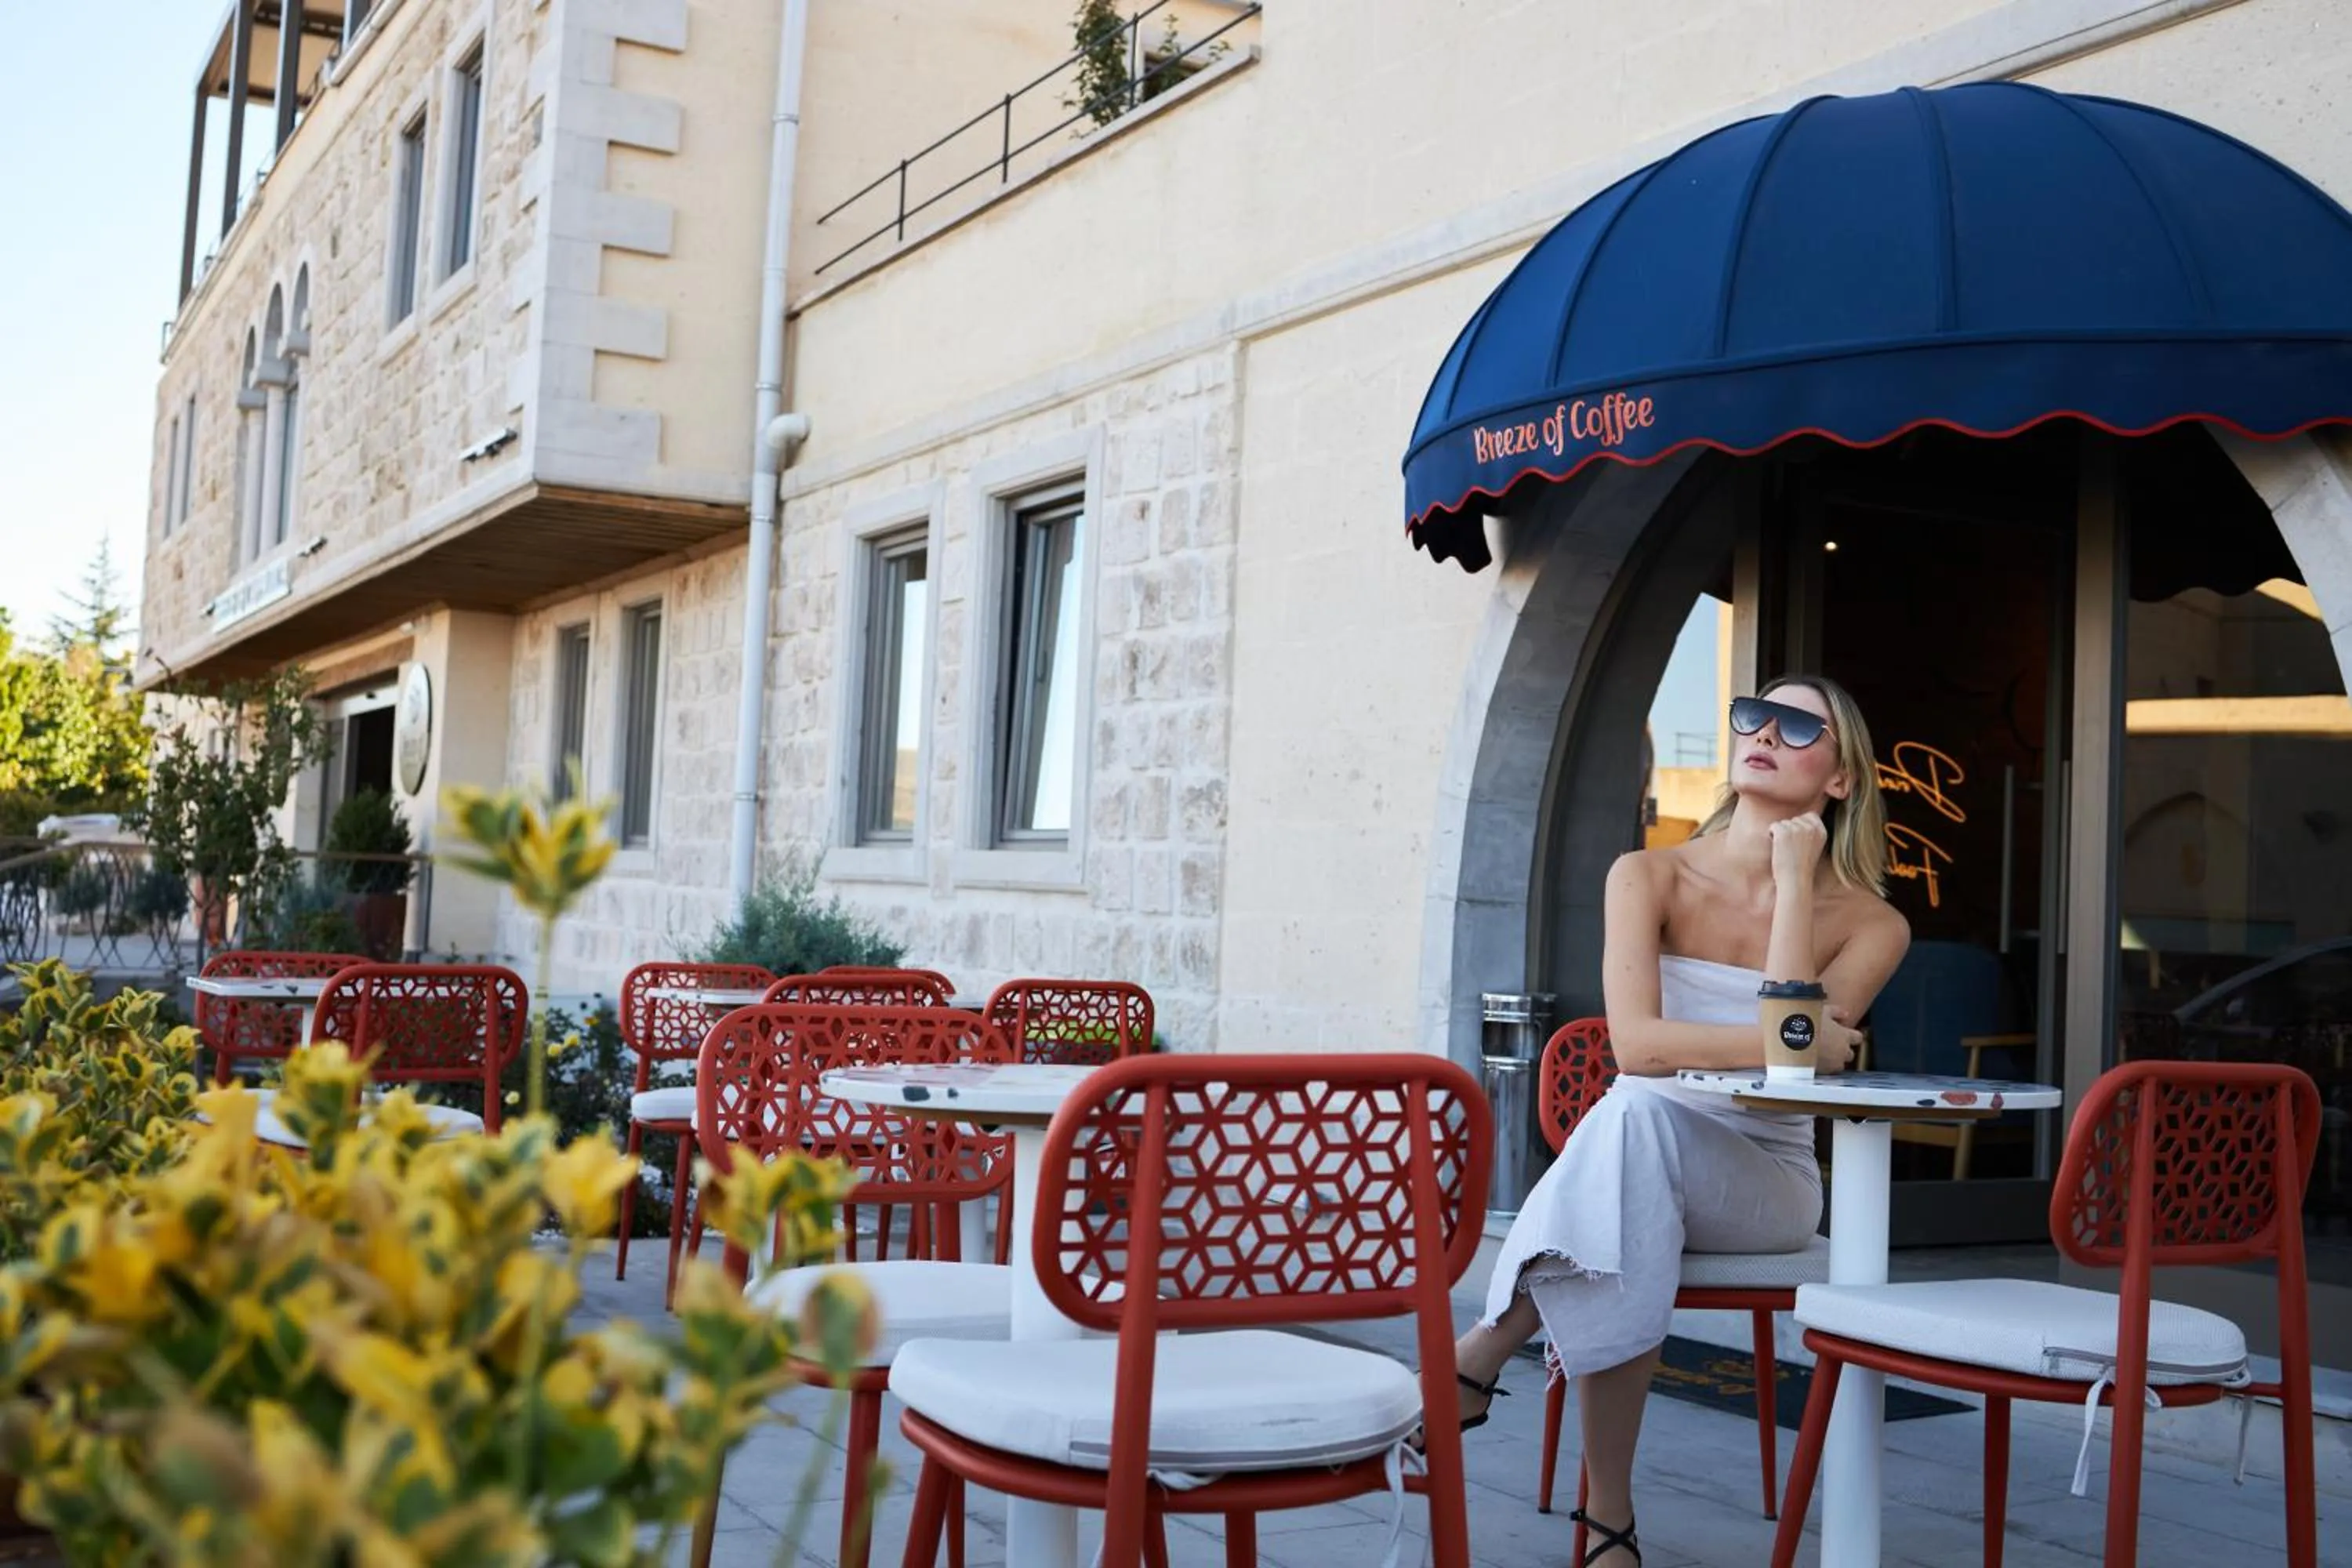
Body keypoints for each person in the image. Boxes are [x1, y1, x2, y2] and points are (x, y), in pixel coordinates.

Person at [1450, 675, 1911, 1567]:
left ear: (1842, 778)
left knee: (1630, 1128)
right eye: (1750, 713)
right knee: (1635, 1138)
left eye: (1796, 724)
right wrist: (1798, 1039)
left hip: (1767, 1179)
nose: (1760, 731)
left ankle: (1488, 1344)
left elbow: (1785, 1073)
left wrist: (1789, 880)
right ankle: (1608, 1523)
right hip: (1645, 1147)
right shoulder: (1648, 873)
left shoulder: (1872, 922)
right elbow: (1638, 1048)